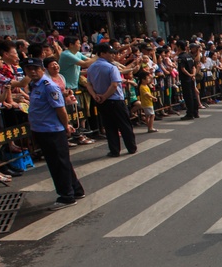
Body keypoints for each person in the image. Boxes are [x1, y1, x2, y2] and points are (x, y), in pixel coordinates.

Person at [22, 58, 85, 210]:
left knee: (58, 164)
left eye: (35, 68)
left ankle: (66, 196)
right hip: (41, 130)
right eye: (29, 69)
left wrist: (66, 126)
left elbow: (60, 109)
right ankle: (76, 190)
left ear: (42, 69)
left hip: (52, 131)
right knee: (61, 162)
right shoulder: (33, 84)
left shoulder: (49, 87)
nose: (32, 71)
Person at [85, 43, 137, 157]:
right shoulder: (111, 67)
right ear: (102, 53)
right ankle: (131, 147)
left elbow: (88, 84)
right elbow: (114, 85)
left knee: (110, 127)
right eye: (110, 53)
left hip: (101, 101)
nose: (113, 56)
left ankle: (114, 150)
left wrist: (96, 96)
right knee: (124, 125)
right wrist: (105, 96)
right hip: (115, 100)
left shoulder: (91, 68)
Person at [176, 41, 199, 120]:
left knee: (188, 96)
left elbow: (182, 69)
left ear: (179, 47)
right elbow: (193, 67)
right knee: (193, 95)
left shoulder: (181, 57)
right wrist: (193, 75)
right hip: (191, 78)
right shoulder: (189, 55)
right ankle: (196, 112)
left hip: (186, 79)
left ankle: (190, 113)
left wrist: (190, 75)